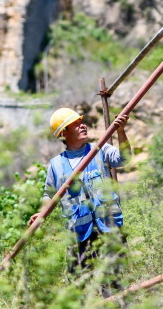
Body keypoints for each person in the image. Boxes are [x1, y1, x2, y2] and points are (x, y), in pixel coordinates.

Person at [28, 107, 131, 276]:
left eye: (81, 122)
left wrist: (121, 132)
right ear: (63, 134)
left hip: (109, 228)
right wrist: (41, 213)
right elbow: (49, 194)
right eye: (75, 124)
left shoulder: (100, 150)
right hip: (79, 235)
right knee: (81, 287)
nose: (83, 126)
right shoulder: (56, 165)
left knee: (115, 284)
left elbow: (124, 158)